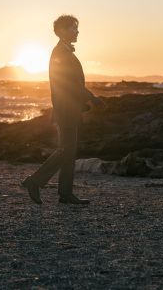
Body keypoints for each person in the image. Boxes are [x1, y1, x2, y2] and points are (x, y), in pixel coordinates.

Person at [21, 14, 106, 205]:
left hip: (71, 109)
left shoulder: (66, 52)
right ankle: (34, 181)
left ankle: (65, 194)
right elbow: (69, 82)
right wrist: (91, 97)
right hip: (66, 110)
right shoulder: (59, 52)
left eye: (77, 28)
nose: (77, 31)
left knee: (71, 151)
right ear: (62, 31)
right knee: (67, 149)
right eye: (74, 28)